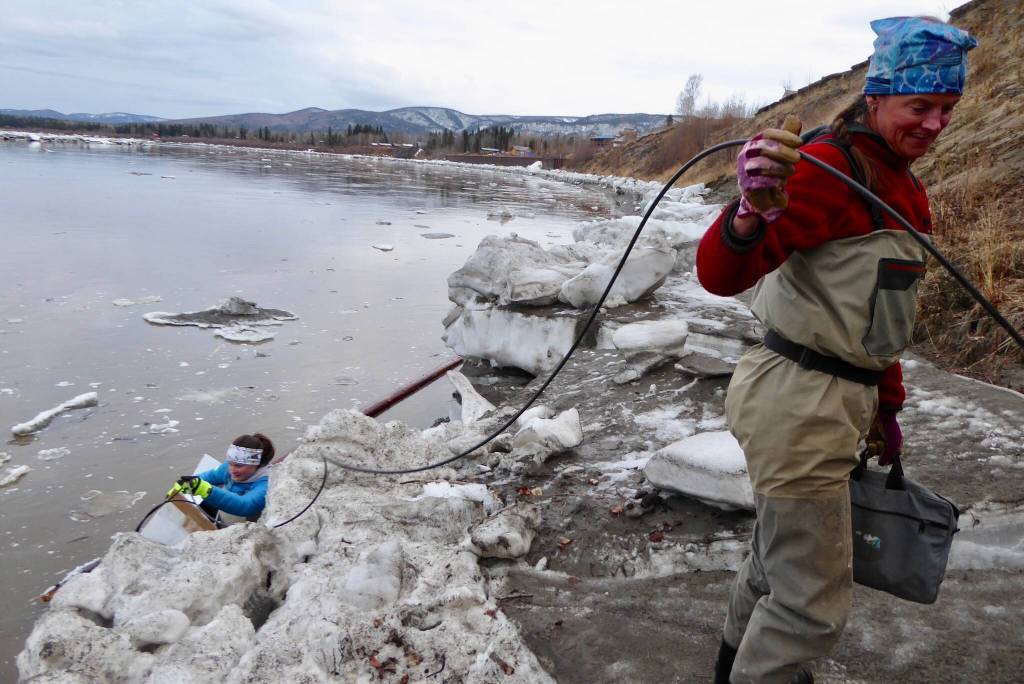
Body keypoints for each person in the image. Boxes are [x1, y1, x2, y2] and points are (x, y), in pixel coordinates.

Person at [695, 17, 977, 684]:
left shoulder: (899, 180)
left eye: (947, 109)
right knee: (811, 603)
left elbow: (880, 313)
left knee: (777, 565)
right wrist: (746, 213)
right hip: (799, 399)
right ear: (877, 97)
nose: (936, 123)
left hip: (831, 398)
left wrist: (887, 406)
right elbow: (719, 274)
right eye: (920, 106)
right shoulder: (828, 168)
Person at [168, 433, 275, 524]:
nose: (232, 469)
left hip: (244, 527)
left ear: (257, 464)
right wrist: (186, 486)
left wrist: (207, 490)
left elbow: (246, 506)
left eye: (239, 465)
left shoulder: (266, 483)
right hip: (223, 516)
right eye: (230, 463)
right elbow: (210, 477)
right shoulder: (228, 468)